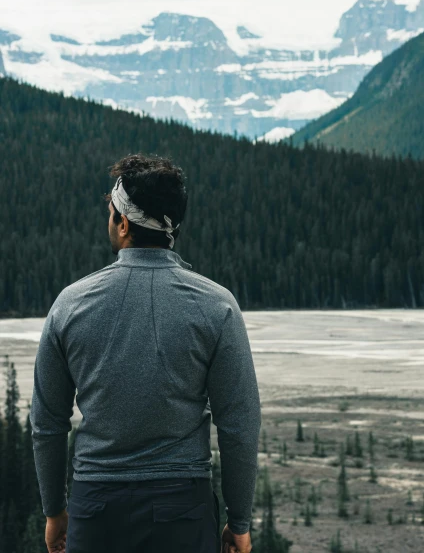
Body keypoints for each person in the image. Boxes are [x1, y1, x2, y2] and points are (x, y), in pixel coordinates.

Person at [30, 153, 262, 553]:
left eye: (111, 213)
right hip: (183, 513)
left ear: (123, 224)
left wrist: (55, 512)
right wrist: (238, 522)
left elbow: (48, 423)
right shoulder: (217, 306)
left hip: (96, 510)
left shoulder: (70, 304)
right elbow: (239, 425)